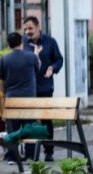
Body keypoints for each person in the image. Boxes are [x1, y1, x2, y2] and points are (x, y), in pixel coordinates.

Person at [0, 32, 41, 165]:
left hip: (12, 99)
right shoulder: (31, 56)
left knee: (12, 129)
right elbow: (38, 67)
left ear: (8, 44)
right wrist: (37, 54)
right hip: (29, 99)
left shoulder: (4, 59)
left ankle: (12, 157)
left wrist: (4, 93)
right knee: (29, 127)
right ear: (22, 42)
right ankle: (31, 156)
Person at [23, 16, 64, 162]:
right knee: (29, 120)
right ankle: (29, 153)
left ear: (38, 27)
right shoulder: (23, 44)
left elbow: (59, 59)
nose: (28, 32)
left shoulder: (50, 42)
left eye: (30, 28)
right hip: (28, 89)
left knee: (46, 120)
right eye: (25, 29)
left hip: (45, 87)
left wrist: (53, 68)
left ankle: (48, 151)